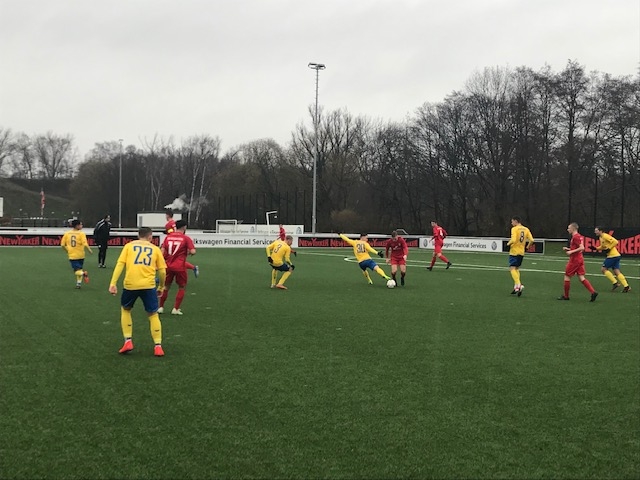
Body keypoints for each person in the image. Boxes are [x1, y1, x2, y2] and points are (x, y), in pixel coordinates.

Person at [108, 227, 167, 356]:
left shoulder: (129, 246)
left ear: (138, 235)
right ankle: (158, 346)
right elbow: (162, 271)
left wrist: (113, 283)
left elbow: (120, 264)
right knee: (153, 314)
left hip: (130, 285)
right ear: (150, 237)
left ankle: (128, 341)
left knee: (126, 310)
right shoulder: (155, 249)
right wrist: (161, 287)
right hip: (148, 285)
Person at [158, 219, 196, 315]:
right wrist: (187, 252)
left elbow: (162, 251)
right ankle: (175, 309)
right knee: (182, 287)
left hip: (168, 266)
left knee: (166, 286)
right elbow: (193, 251)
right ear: (184, 227)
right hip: (180, 267)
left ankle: (161, 307)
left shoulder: (168, 237)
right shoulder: (186, 238)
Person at [558, 222, 598, 302]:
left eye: (569, 228)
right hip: (580, 258)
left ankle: (566, 296)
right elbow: (578, 248)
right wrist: (568, 249)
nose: (568, 230)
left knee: (567, 276)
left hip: (574, 260)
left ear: (573, 228)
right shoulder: (579, 236)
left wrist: (571, 252)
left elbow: (582, 248)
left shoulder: (575, 237)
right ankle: (593, 292)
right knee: (581, 277)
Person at [594, 227, 631, 293]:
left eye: (596, 231)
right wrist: (596, 248)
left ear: (601, 231)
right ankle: (626, 286)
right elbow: (603, 247)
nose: (595, 232)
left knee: (603, 269)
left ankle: (615, 283)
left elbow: (615, 241)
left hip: (612, 256)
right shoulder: (601, 237)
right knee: (616, 271)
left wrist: (609, 248)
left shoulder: (605, 236)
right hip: (616, 255)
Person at [165, 211, 199, 278]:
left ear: (167, 215)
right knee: (177, 260)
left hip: (171, 241)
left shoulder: (168, 224)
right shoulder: (174, 223)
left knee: (167, 260)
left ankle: (160, 277)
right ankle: (193, 267)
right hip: (178, 241)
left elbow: (170, 233)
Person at [506, 216, 534, 296]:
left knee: (512, 268)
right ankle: (516, 287)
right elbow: (532, 240)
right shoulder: (526, 229)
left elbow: (513, 240)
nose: (511, 223)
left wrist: (508, 244)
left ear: (516, 221)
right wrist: (527, 247)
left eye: (512, 221)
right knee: (517, 268)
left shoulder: (514, 229)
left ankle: (519, 285)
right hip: (521, 252)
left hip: (514, 251)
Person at [60, 219, 93, 289]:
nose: (82, 226)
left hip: (73, 255)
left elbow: (62, 245)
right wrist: (89, 250)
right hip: (81, 255)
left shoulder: (67, 233)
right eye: (81, 224)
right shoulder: (81, 233)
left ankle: (83, 274)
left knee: (77, 271)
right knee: (79, 269)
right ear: (77, 226)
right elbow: (85, 244)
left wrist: (67, 251)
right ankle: (78, 284)